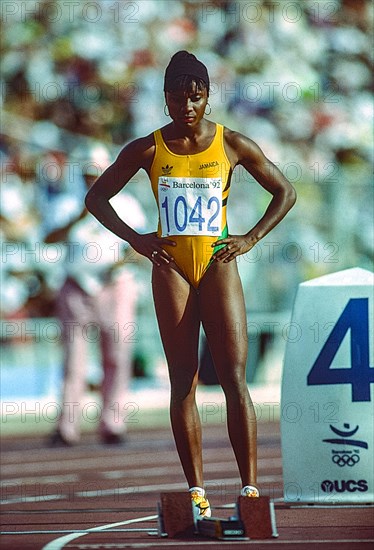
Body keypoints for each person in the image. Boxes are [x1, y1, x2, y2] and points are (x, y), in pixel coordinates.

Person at [85, 51, 296, 514]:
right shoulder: (147, 148)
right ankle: (197, 491)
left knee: (234, 379)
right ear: (165, 99)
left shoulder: (233, 144)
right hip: (171, 267)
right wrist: (136, 240)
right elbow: (96, 197)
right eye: (179, 98)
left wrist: (250, 237)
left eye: (196, 97)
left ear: (207, 98)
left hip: (219, 263)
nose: (187, 106)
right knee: (184, 380)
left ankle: (249, 490)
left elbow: (286, 191)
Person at [47, 150, 146, 446]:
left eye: (96, 174)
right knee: (74, 361)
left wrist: (119, 265)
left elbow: (139, 243)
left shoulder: (127, 204)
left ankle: (113, 423)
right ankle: (68, 427)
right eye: (87, 175)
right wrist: (77, 218)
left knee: (117, 357)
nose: (91, 180)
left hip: (115, 285)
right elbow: (48, 238)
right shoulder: (66, 203)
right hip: (77, 285)